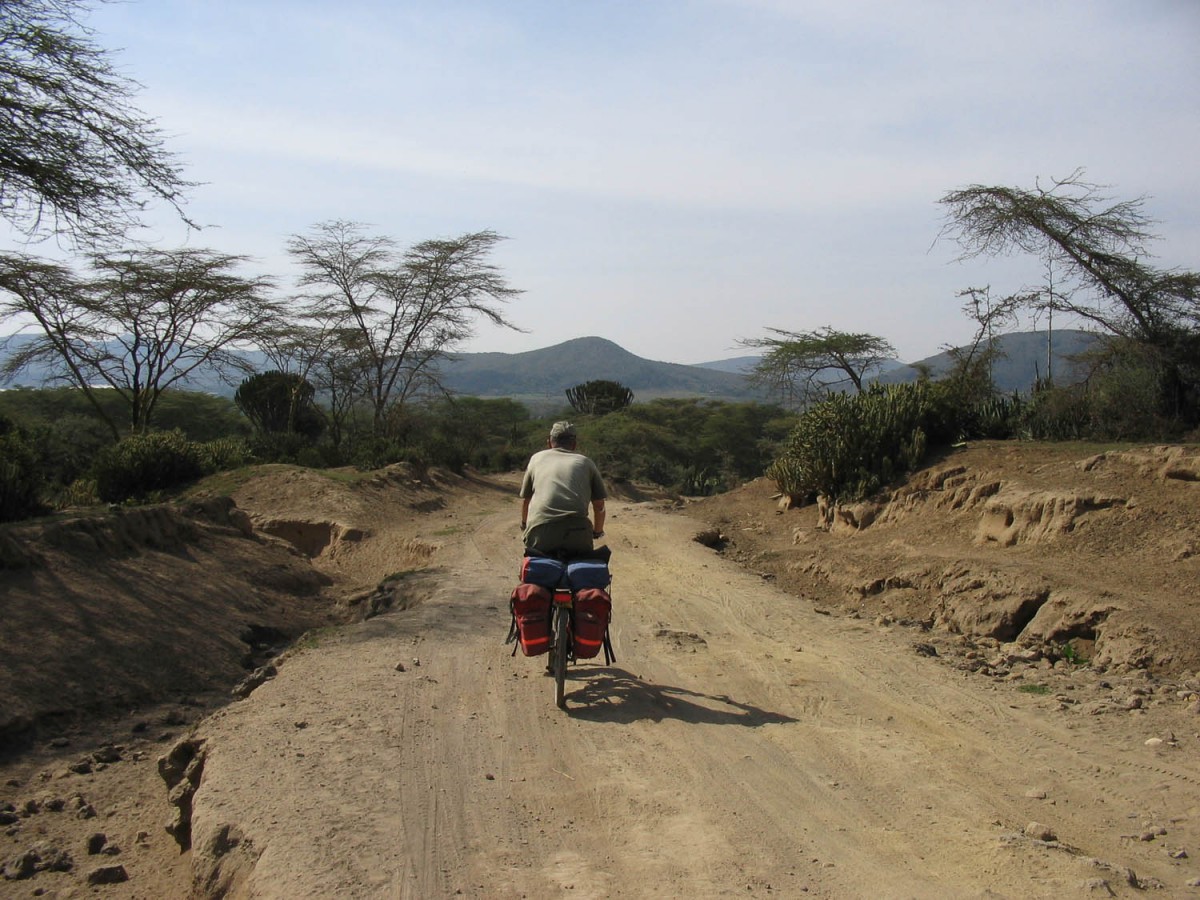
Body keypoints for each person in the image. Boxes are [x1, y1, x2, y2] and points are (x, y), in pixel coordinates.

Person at [519, 421, 607, 555]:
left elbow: (526, 500)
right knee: (581, 565)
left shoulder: (536, 459)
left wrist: (525, 525)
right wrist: (597, 531)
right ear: (574, 444)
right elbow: (599, 506)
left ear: (549, 442)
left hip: (541, 531)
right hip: (578, 533)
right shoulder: (586, 463)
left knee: (536, 566)